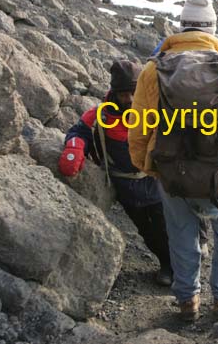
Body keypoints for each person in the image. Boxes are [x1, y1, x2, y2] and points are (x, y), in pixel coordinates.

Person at [129, 0, 218, 321]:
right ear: (211, 29)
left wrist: (145, 164)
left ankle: (188, 301)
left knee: (181, 234)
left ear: (182, 27)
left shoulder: (152, 70)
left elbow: (139, 127)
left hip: (172, 170)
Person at [58, 60, 177, 286]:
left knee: (167, 227)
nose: (130, 100)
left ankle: (178, 268)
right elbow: (79, 130)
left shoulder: (155, 110)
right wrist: (74, 148)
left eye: (133, 93)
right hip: (127, 189)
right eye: (124, 94)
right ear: (114, 93)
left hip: (156, 182)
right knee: (147, 231)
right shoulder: (102, 115)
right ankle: (166, 263)